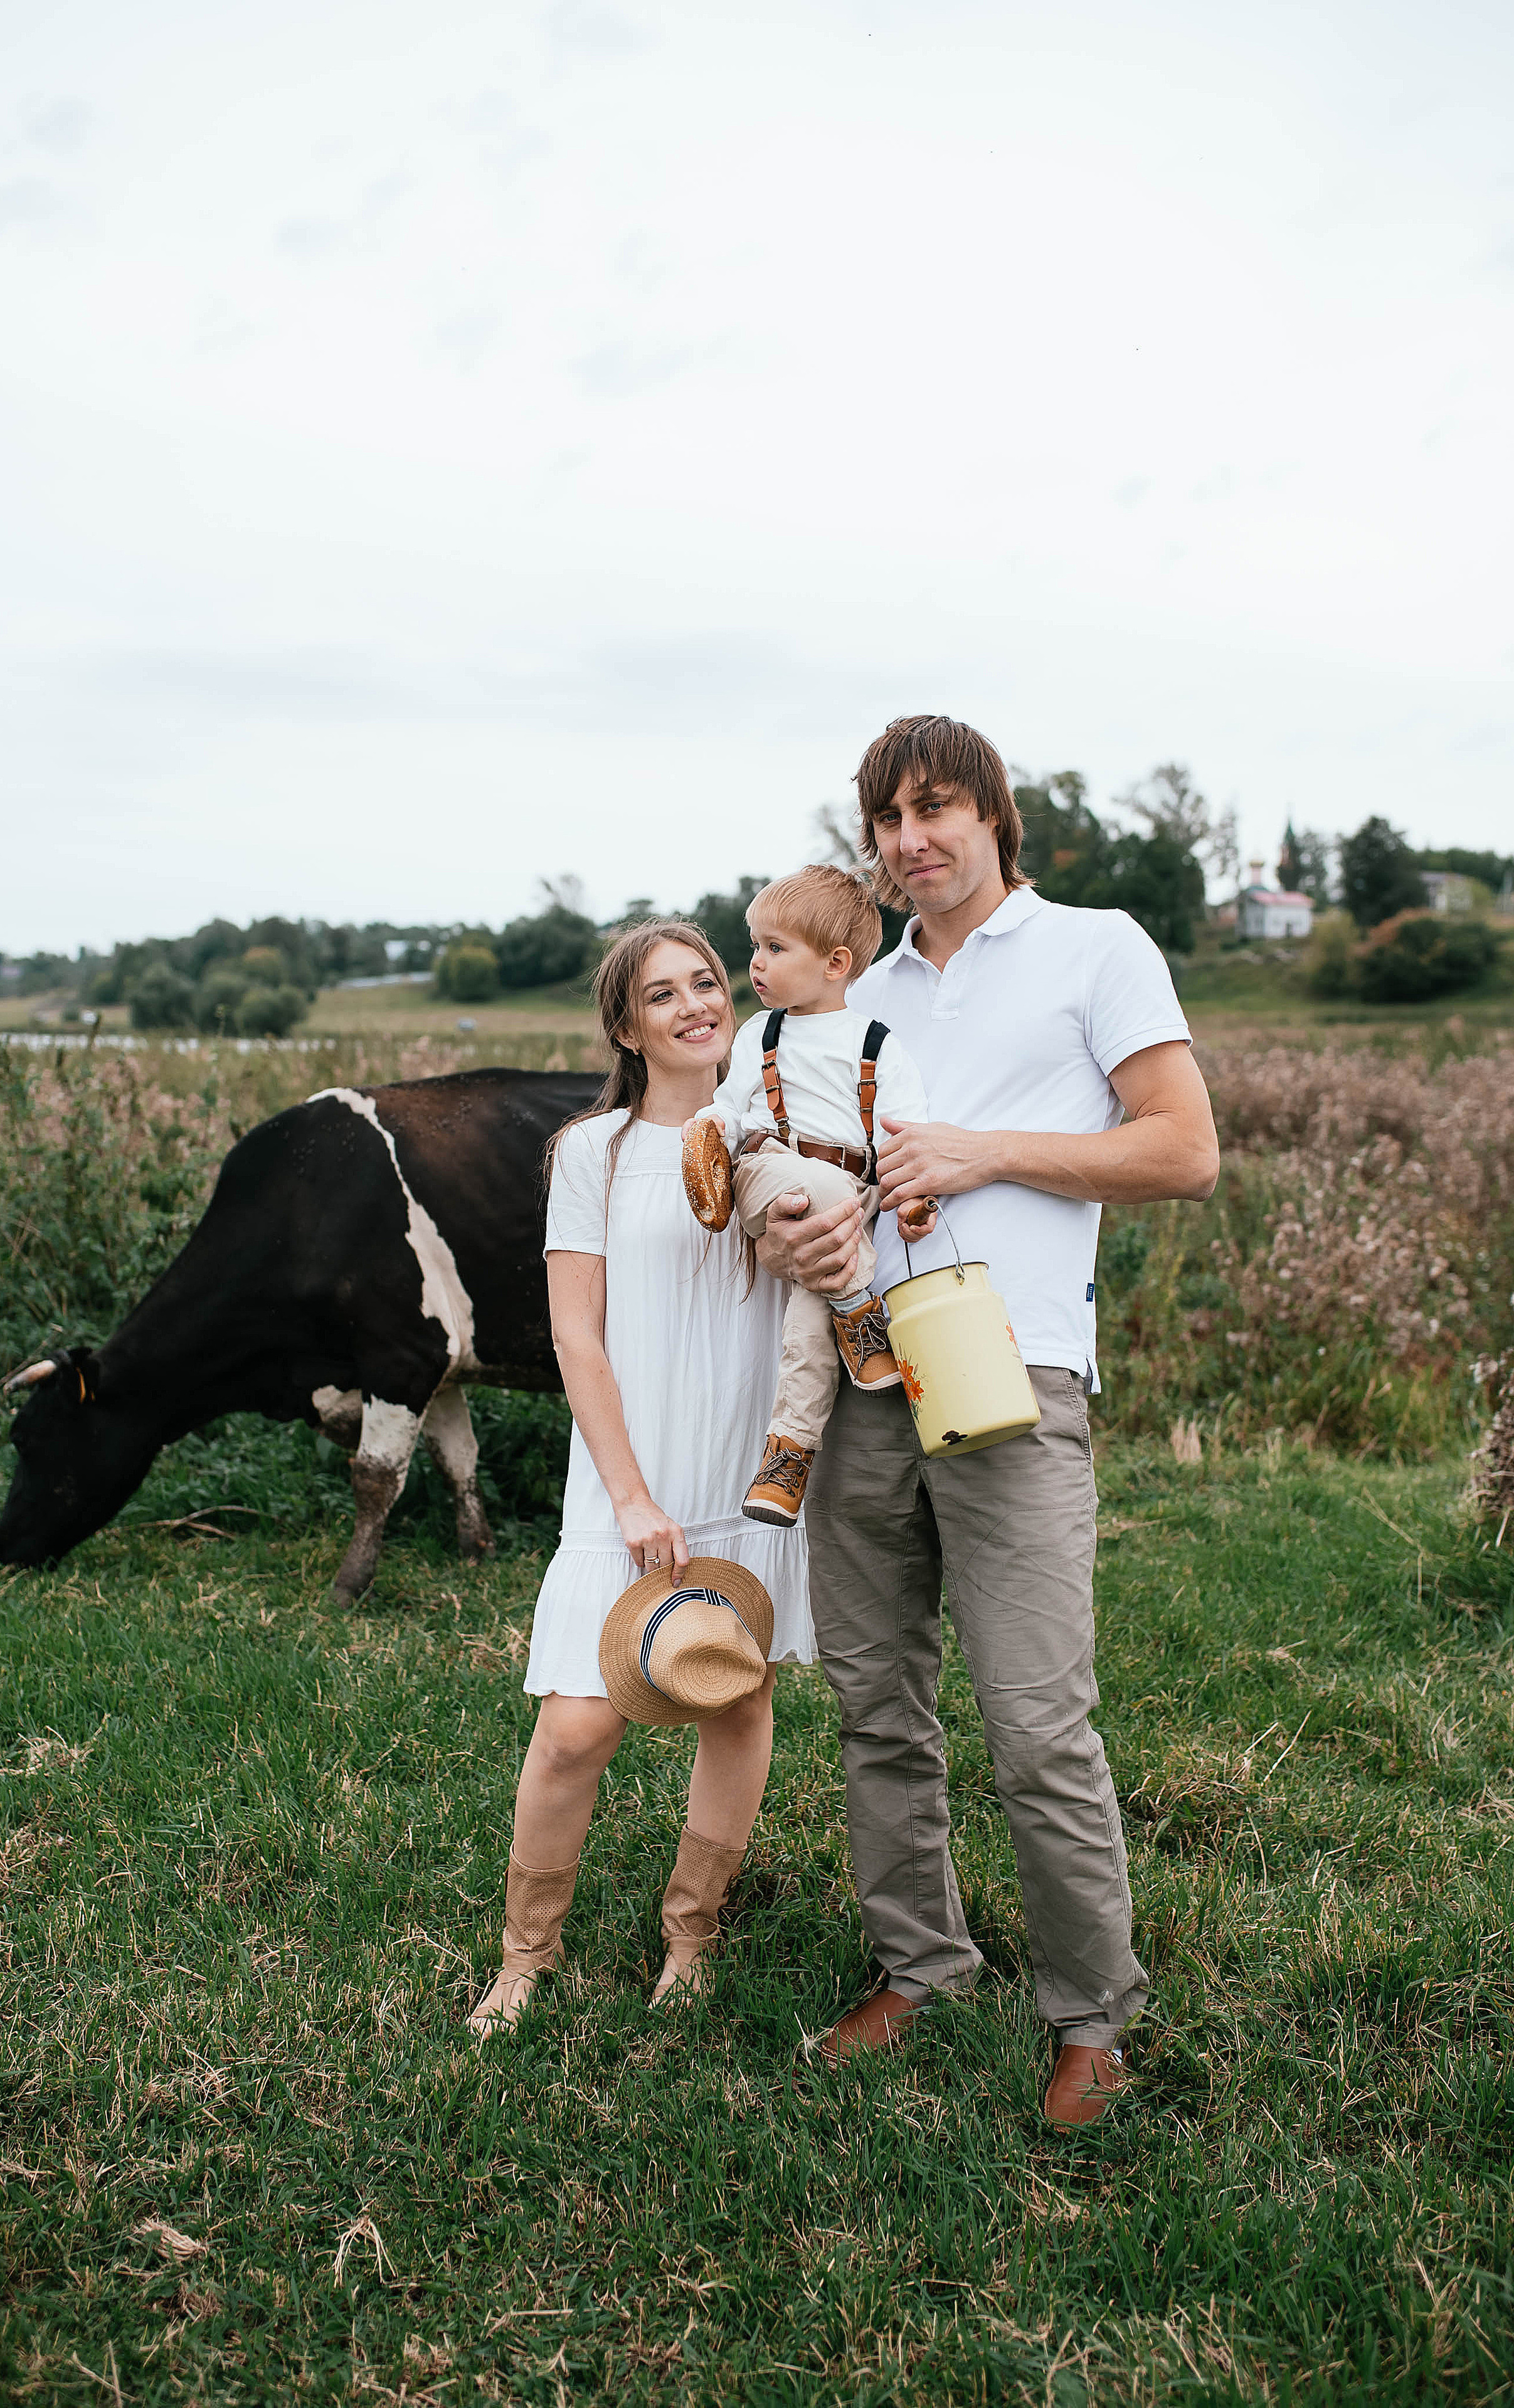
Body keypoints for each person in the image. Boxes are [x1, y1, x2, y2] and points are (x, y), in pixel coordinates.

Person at [754, 715, 1220, 2125]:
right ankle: (919, 1967)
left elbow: (1183, 1152)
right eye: (887, 821)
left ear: (991, 814)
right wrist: (804, 1234)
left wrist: (979, 1151)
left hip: (1009, 1377)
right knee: (873, 1700)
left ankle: (1090, 2017)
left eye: (935, 809)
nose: (910, 841)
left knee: (1032, 1720)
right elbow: (811, 1156)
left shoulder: (1094, 948)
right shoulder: (859, 988)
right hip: (861, 1374)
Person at [467, 919, 817, 2036]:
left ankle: (691, 1936)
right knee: (578, 1724)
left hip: (750, 1464)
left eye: (707, 983)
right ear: (627, 1026)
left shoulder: (783, 1126)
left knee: (736, 1694)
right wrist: (627, 1495)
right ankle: (527, 1957)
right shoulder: (595, 1153)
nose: (693, 1006)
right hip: (634, 1471)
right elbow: (578, 1336)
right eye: (661, 996)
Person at [680, 864, 935, 1529]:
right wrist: (709, 1129)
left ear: (835, 963)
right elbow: (731, 1112)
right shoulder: (758, 1037)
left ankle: (786, 1455)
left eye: (774, 948)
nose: (755, 964)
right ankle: (860, 1308)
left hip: (852, 1194)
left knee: (807, 1310)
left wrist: (910, 1199)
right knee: (827, 1199)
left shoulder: (878, 1046)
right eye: (756, 946)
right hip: (769, 1170)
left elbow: (901, 1136)